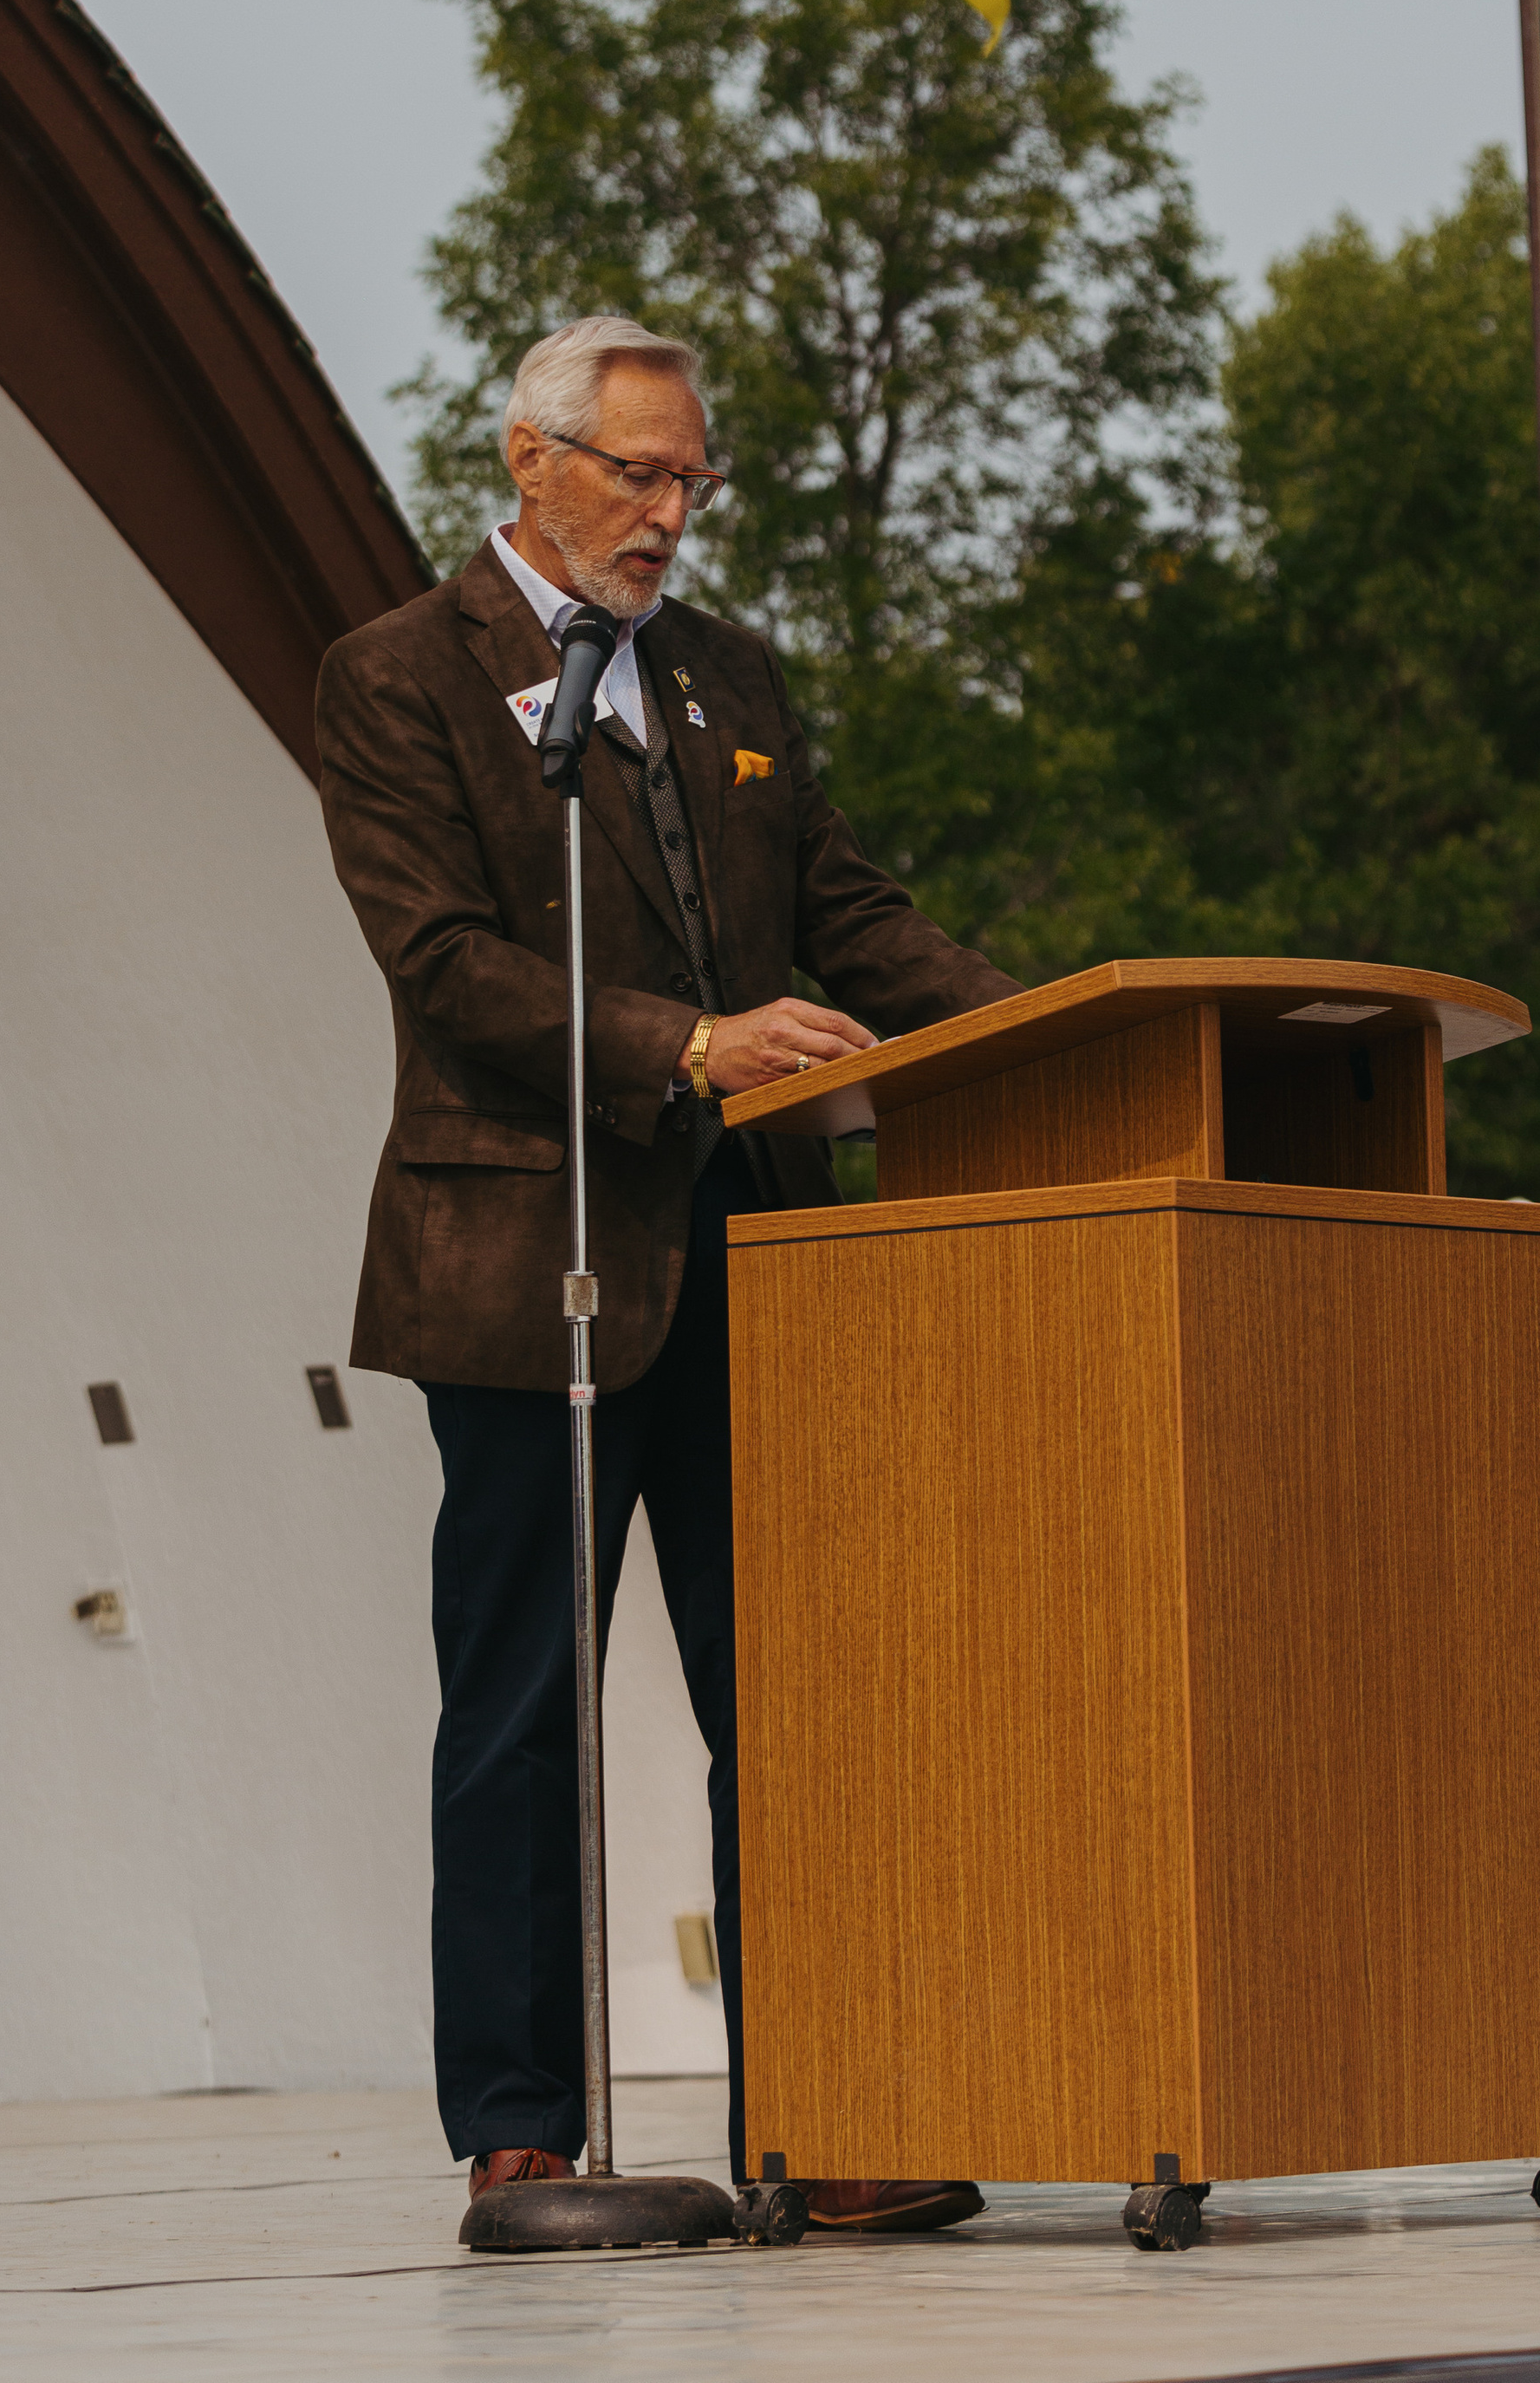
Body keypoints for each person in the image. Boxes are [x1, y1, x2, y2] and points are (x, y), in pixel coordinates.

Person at [316, 313, 1023, 2245]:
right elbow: (445, 964)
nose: (669, 513)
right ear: (529, 460)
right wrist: (686, 1045)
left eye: (691, 479)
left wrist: (1049, 1034)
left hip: (753, 1255)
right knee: (522, 1705)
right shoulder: (401, 675)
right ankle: (524, 2130)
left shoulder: (729, 675)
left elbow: (848, 913)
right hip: (523, 1258)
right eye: (637, 473)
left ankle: (826, 2108)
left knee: (791, 1702)